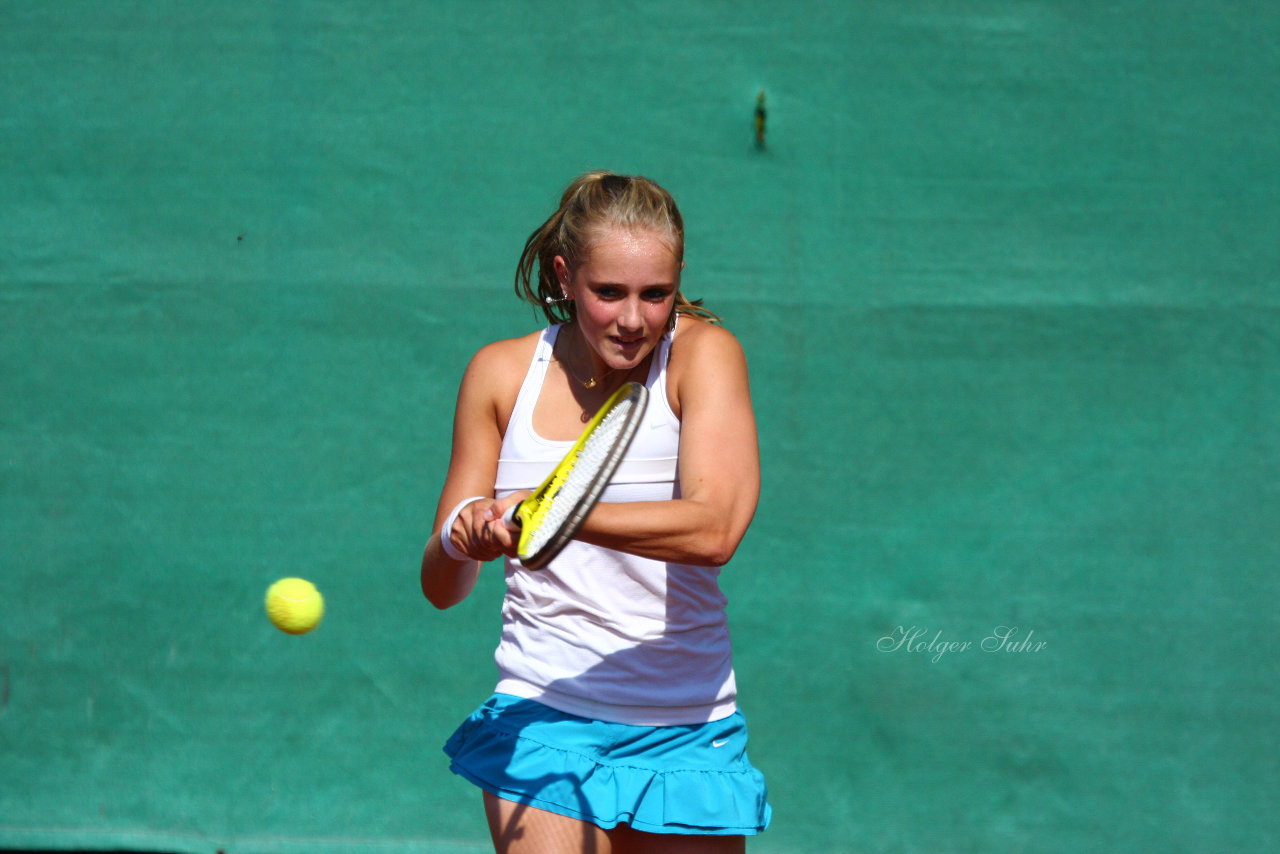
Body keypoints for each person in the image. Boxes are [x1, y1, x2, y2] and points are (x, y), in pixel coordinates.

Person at [420, 170, 770, 854]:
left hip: (687, 724)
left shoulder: (705, 356)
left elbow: (716, 528)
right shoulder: (498, 374)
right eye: (608, 292)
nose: (634, 319)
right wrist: (465, 539)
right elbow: (441, 586)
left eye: (656, 294)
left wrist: (557, 512)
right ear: (565, 276)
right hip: (543, 712)